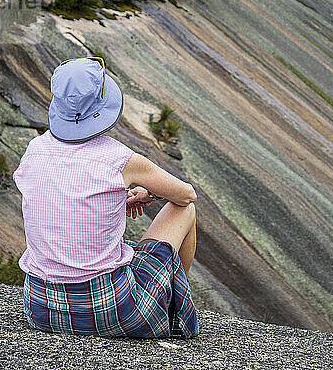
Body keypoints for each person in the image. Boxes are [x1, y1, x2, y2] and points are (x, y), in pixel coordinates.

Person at [12, 56, 199, 339]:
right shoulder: (119, 158)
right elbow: (186, 195)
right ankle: (173, 307)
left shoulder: (34, 151)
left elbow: (57, 203)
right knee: (185, 211)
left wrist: (111, 202)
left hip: (41, 309)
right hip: (112, 310)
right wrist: (148, 192)